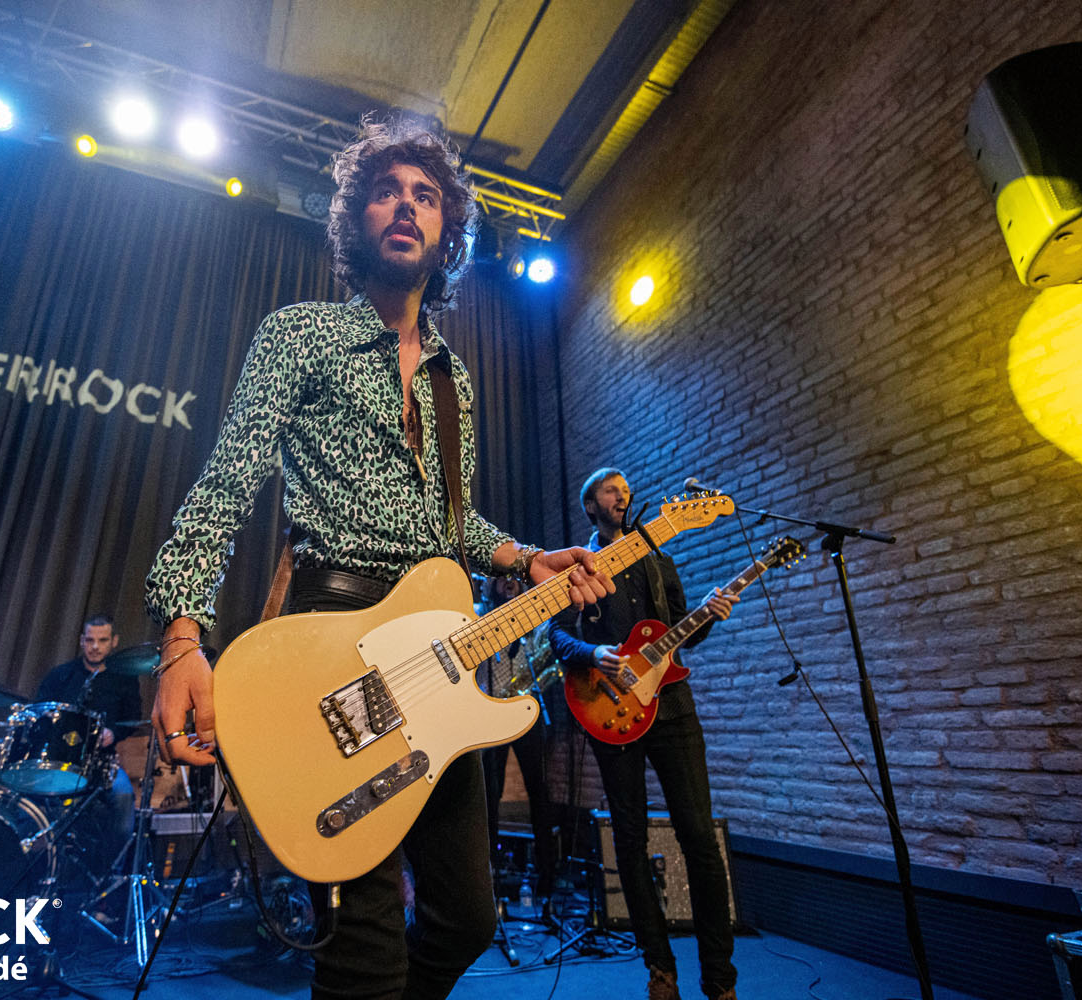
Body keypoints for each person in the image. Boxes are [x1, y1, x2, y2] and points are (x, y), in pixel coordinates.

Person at [144, 116, 613, 999]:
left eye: (426, 196)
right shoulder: (300, 335)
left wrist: (524, 558)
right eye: (387, 192)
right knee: (364, 945)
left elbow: (451, 523)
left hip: (440, 659)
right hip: (334, 644)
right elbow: (226, 485)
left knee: (466, 918)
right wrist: (181, 637)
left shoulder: (453, 378)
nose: (406, 206)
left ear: (447, 234)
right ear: (356, 219)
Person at [549, 469, 740, 1000]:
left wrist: (709, 616)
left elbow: (681, 634)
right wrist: (594, 653)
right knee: (629, 842)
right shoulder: (578, 570)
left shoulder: (659, 558)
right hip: (610, 712)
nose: (623, 496)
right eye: (611, 490)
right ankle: (660, 970)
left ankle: (720, 980)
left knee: (699, 838)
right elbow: (556, 635)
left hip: (672, 708)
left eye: (626, 490)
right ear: (591, 506)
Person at [476, 574, 559, 912]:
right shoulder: (480, 617)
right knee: (490, 795)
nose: (510, 584)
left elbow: (544, 654)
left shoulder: (532, 620)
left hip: (527, 708)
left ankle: (548, 878)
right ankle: (489, 879)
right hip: (491, 713)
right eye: (502, 579)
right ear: (489, 585)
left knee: (539, 790)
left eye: (515, 579)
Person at [33, 613, 141, 856]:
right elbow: (38, 711)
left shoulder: (125, 680)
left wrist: (113, 733)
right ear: (81, 641)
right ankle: (46, 858)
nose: (95, 647)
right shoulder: (61, 675)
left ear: (114, 641)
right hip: (59, 760)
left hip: (102, 762)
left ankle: (109, 867)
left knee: (124, 797)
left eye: (102, 640)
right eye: (90, 640)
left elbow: (133, 718)